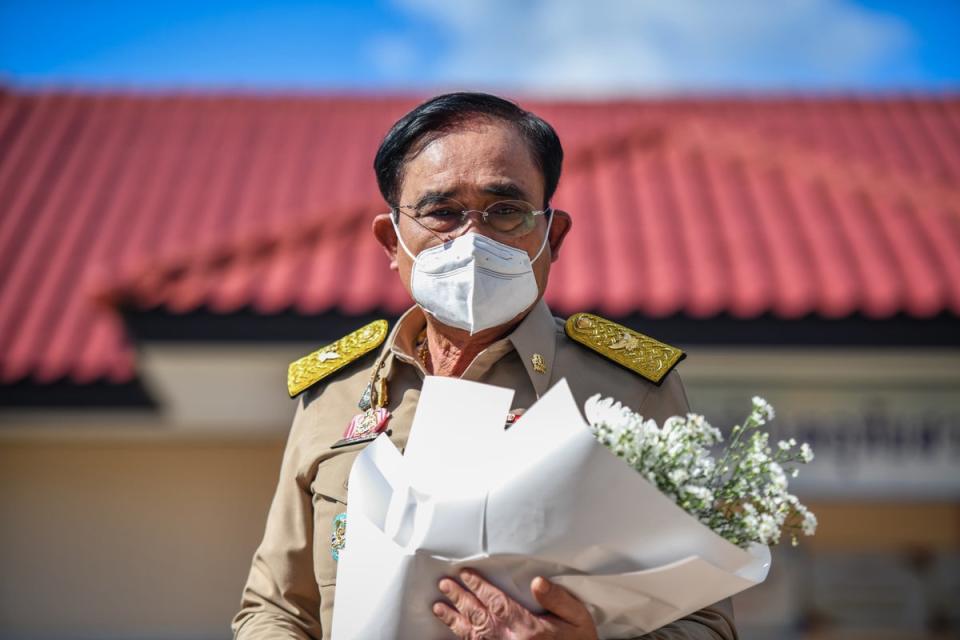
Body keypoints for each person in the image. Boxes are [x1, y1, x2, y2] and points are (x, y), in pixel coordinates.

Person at [232, 92, 737, 639]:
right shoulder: (333, 393)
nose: (472, 239)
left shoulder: (631, 392)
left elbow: (707, 624)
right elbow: (275, 609)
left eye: (506, 210)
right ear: (391, 240)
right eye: (442, 212)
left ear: (553, 234)